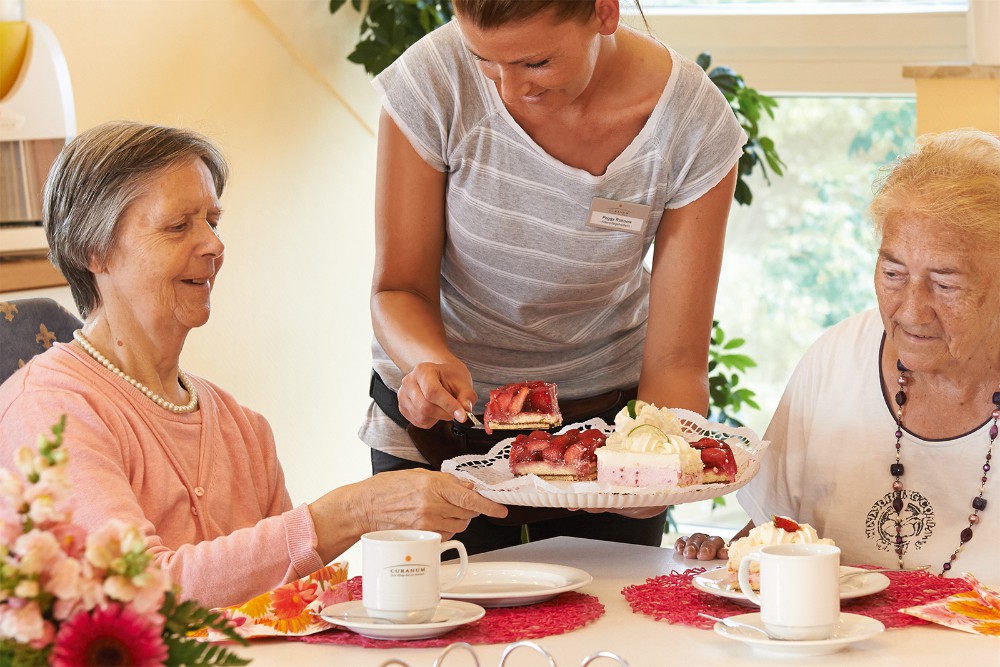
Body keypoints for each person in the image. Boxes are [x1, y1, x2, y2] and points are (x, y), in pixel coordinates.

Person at [0, 121, 507, 609]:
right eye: (178, 226)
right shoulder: (50, 410)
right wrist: (353, 512)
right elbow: (136, 594)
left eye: (212, 222)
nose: (215, 246)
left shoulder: (242, 428)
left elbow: (294, 606)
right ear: (95, 250)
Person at [362, 0, 747, 554]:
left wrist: (651, 460)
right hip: (438, 433)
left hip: (604, 434)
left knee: (609, 628)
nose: (509, 91)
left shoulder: (691, 125)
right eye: (486, 62)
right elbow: (398, 288)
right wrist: (426, 363)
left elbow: (675, 362)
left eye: (536, 63)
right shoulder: (434, 77)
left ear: (604, 13)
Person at [675, 128, 999, 581]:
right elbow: (775, 528)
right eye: (892, 272)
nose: (910, 310)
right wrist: (727, 554)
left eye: (945, 285)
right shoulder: (835, 361)